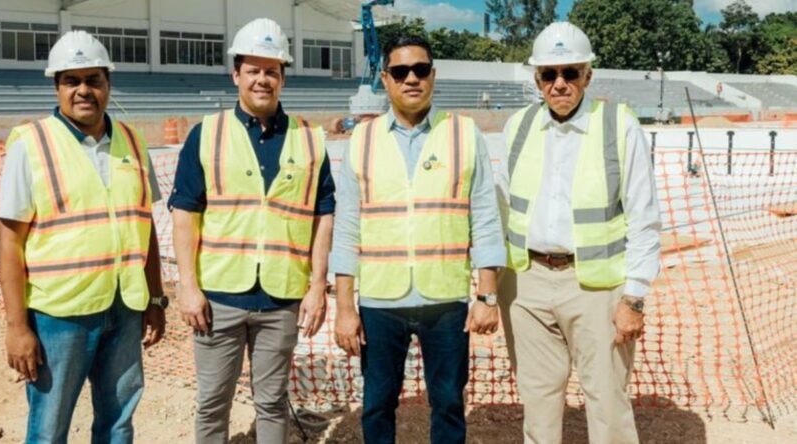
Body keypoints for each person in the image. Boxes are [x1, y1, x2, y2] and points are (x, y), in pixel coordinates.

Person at [168, 18, 335, 443]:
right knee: (212, 403)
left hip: (281, 299)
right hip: (219, 297)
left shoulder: (310, 140)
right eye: (254, 70)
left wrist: (318, 286)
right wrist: (187, 286)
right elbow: (185, 213)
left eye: (272, 70)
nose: (263, 79)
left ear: (282, 77)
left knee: (273, 402)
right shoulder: (206, 135)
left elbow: (323, 215)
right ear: (236, 74)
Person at [332, 35, 506, 444]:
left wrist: (487, 296)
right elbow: (347, 228)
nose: (411, 79)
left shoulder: (464, 134)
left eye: (421, 70)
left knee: (447, 402)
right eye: (400, 71)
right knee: (377, 404)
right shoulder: (363, 139)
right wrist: (344, 305)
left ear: (433, 75)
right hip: (380, 302)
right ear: (385, 79)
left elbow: (484, 217)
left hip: (444, 301)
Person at [0, 30, 166, 443]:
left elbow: (145, 228)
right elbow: (9, 243)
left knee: (118, 422)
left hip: (124, 309)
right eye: (71, 80)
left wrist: (156, 298)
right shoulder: (31, 145)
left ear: (108, 83)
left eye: (93, 79)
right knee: (50, 426)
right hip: (60, 317)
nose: (84, 90)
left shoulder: (132, 141)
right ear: (56, 86)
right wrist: (17, 327)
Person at [499, 22, 661, 444]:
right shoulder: (518, 126)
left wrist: (635, 297)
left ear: (588, 75)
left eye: (570, 73)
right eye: (548, 75)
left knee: (607, 402)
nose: (559, 84)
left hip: (596, 289)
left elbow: (644, 219)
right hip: (527, 284)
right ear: (536, 78)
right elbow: (500, 210)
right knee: (537, 402)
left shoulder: (618, 126)